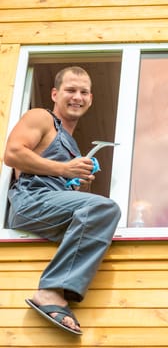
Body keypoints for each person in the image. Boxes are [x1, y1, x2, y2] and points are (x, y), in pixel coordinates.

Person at [3, 66, 121, 335]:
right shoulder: (41, 118)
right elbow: (12, 154)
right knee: (104, 207)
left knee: (98, 214)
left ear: (90, 99)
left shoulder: (71, 144)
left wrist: (73, 184)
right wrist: (64, 170)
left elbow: (55, 176)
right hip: (30, 200)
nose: (77, 96)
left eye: (83, 92)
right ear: (55, 94)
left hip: (46, 204)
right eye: (70, 90)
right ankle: (50, 292)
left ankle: (58, 291)